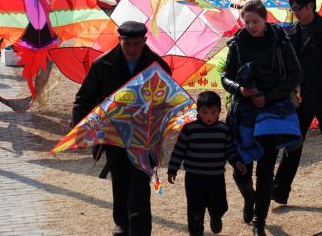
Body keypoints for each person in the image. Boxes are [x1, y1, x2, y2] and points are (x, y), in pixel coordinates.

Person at [71, 21, 170, 236]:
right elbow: (84, 99)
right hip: (114, 137)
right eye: (128, 44)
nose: (133, 49)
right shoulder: (103, 64)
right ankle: (122, 223)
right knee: (120, 182)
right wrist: (78, 132)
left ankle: (140, 230)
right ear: (120, 41)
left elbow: (168, 101)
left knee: (140, 189)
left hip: (144, 140)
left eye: (137, 44)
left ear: (144, 41)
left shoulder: (158, 66)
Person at [222, 0, 302, 236]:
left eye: (255, 21)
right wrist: (240, 89)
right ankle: (250, 198)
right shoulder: (237, 43)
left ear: (265, 19)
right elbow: (226, 77)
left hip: (273, 111)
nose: (251, 26)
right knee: (240, 168)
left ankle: (260, 219)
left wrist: (268, 97)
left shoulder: (280, 41)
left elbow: (296, 75)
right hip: (244, 112)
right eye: (246, 22)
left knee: (265, 170)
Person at [272, 0, 322, 204]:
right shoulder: (293, 33)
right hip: (300, 98)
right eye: (293, 9)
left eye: (298, 8)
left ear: (310, 6)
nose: (295, 13)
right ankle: (280, 190)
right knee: (293, 143)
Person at [168, 92, 247, 236]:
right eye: (204, 112)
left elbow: (230, 150)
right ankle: (196, 231)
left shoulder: (223, 130)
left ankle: (216, 217)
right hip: (194, 178)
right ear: (198, 111)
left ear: (219, 112)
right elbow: (179, 150)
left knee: (219, 205)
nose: (209, 116)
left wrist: (237, 163)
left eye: (213, 112)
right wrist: (172, 169)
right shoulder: (190, 129)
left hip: (215, 178)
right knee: (195, 208)